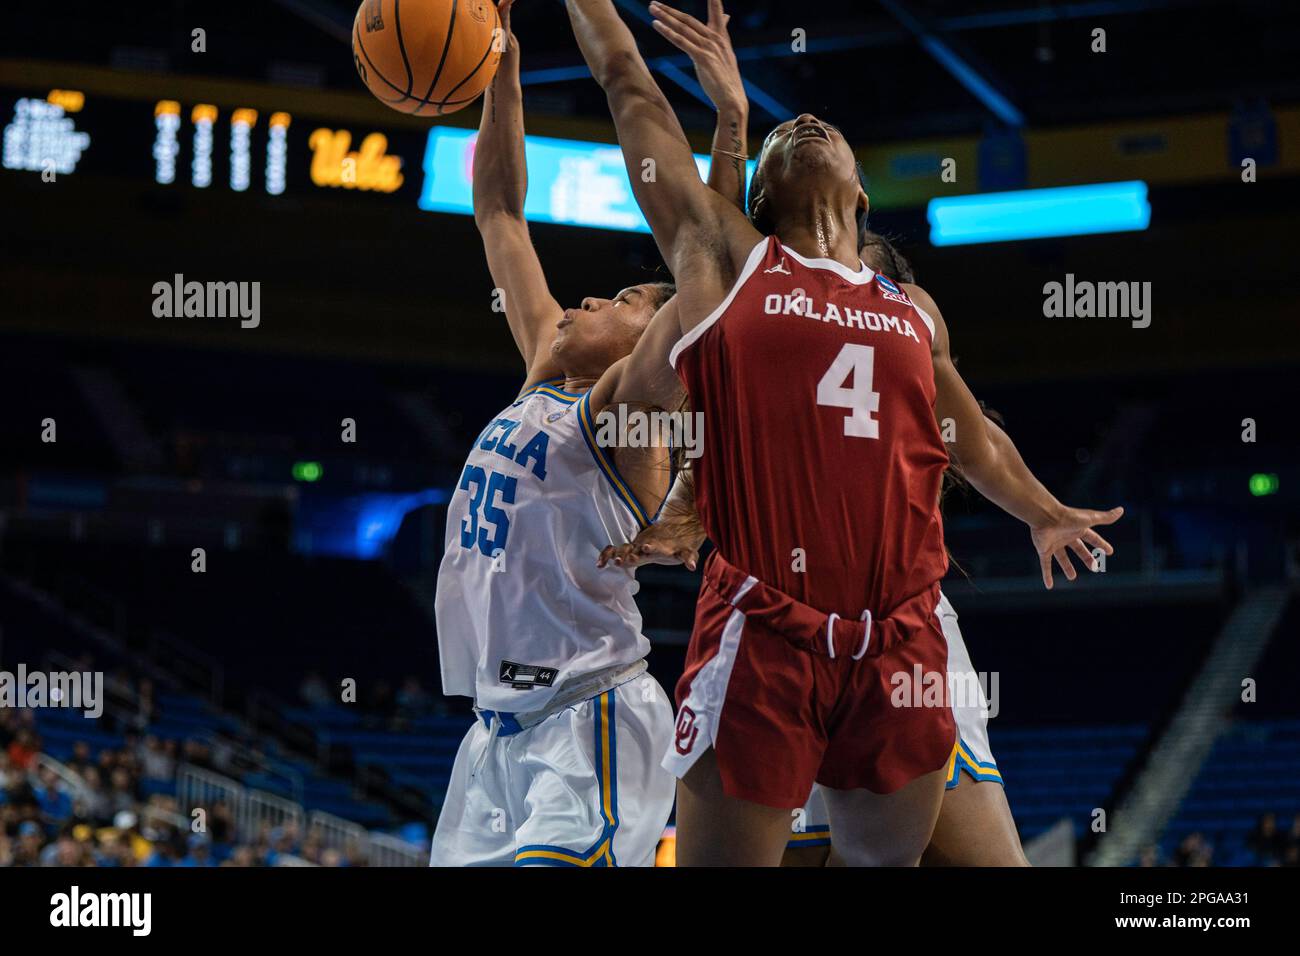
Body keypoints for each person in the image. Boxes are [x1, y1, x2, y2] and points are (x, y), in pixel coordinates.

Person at [566, 0, 1123, 865]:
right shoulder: (728, 261)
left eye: (824, 125)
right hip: (766, 633)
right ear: (758, 194)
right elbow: (629, 88)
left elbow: (968, 437)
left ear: (863, 195)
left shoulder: (908, 310)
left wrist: (1045, 511)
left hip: (901, 639)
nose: (810, 120)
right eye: (788, 130)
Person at [430, 0, 749, 867]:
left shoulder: (621, 413)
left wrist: (729, 129)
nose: (589, 301)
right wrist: (501, 66)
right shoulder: (544, 367)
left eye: (622, 302)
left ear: (651, 347)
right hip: (491, 740)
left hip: (591, 723)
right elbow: (499, 210)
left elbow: (707, 274)